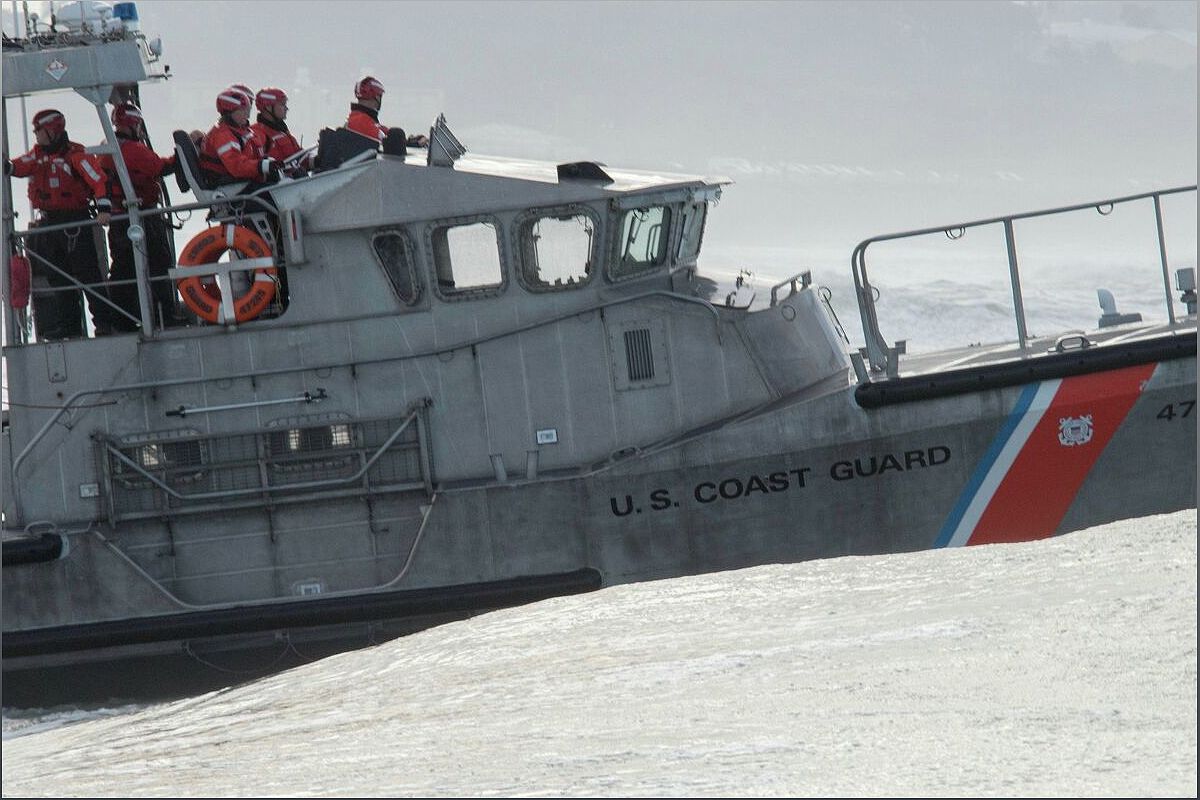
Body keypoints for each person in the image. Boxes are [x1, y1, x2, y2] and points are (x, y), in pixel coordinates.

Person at [6, 109, 114, 340]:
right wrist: (7, 166)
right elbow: (18, 166)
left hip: (75, 221)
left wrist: (104, 209)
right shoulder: (37, 156)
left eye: (39, 130)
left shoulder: (76, 155)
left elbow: (98, 181)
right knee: (59, 278)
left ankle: (104, 323)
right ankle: (70, 326)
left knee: (88, 275)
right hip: (50, 223)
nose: (36, 135)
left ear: (52, 130)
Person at [99, 102, 186, 331]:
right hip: (141, 216)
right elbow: (158, 167)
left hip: (119, 220)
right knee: (158, 262)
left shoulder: (108, 147)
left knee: (122, 268)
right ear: (134, 125)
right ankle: (164, 315)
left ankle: (122, 319)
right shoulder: (134, 150)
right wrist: (183, 155)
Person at [198, 87, 280, 185]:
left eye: (248, 110)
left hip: (243, 181)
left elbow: (249, 156)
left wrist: (266, 161)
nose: (247, 115)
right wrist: (261, 166)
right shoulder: (223, 135)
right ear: (229, 112)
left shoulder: (239, 130)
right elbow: (236, 166)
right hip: (230, 185)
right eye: (242, 111)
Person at [345, 76, 429, 149]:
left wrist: (410, 141)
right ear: (377, 97)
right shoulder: (361, 121)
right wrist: (416, 144)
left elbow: (386, 133)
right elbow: (388, 144)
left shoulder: (358, 118)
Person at [251, 87, 311, 176]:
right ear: (268, 107)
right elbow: (261, 165)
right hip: (279, 185)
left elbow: (300, 158)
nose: (286, 108)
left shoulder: (283, 132)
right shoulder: (257, 133)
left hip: (294, 181)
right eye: (282, 104)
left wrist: (319, 158)